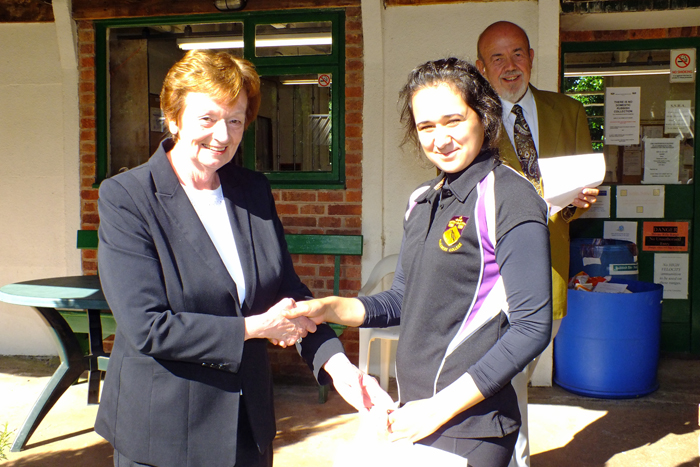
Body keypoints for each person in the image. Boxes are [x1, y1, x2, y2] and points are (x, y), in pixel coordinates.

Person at [95, 49, 389, 467]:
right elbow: (148, 326)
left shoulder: (251, 190)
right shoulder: (127, 197)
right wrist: (255, 328)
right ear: (173, 117)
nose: (223, 134)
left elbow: (287, 293)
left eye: (235, 120)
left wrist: (340, 369)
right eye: (207, 118)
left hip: (247, 428)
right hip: (164, 433)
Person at [287, 58, 552, 467]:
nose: (440, 138)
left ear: (483, 116)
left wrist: (437, 409)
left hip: (473, 426)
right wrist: (329, 308)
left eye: (453, 120)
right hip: (414, 413)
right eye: (426, 127)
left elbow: (532, 327)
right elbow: (401, 299)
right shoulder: (421, 200)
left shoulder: (509, 197)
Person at [475, 20, 599, 467]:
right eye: (497, 58)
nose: (510, 67)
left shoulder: (568, 111)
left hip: (549, 267)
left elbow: (579, 193)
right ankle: (510, 457)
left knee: (518, 374)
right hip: (490, 272)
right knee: (501, 376)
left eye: (518, 54)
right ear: (481, 66)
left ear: (531, 57)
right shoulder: (472, 119)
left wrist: (577, 202)